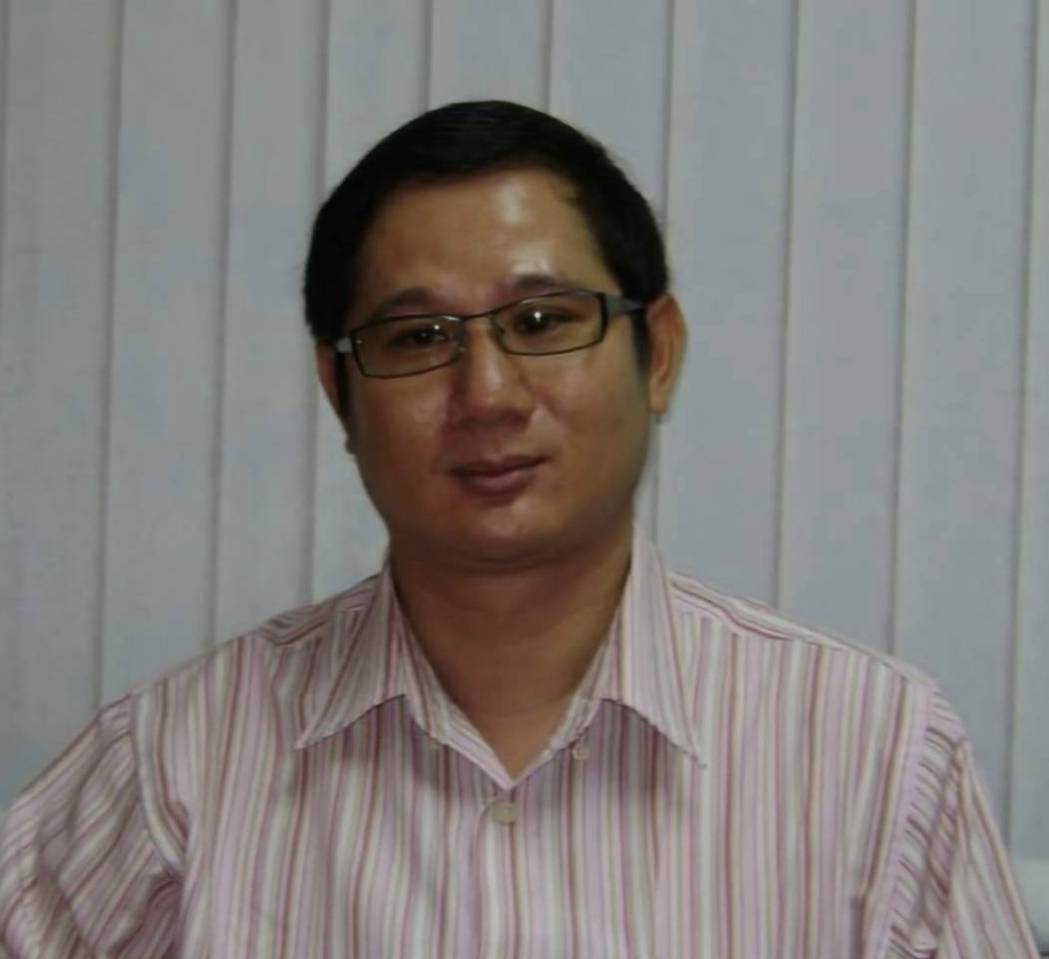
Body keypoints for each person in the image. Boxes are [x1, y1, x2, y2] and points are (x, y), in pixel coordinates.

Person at [0, 100, 1037, 958]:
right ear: (337, 391)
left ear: (657, 352)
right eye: (418, 337)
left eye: (541, 322)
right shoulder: (178, 763)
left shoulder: (873, 754)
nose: (487, 393)